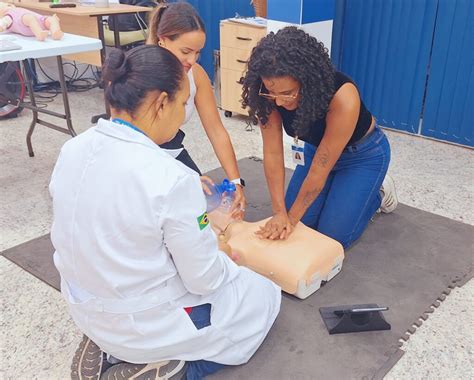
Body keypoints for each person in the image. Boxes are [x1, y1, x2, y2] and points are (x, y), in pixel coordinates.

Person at [50, 46, 281, 380]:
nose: (182, 113)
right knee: (261, 297)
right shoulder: (172, 179)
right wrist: (226, 257)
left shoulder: (72, 149)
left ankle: (109, 346)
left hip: (84, 307)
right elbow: (204, 279)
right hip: (143, 322)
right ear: (161, 103)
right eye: (183, 102)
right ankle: (170, 366)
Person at [241, 27, 398, 248]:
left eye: (287, 93)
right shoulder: (267, 93)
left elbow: (319, 171)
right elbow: (273, 153)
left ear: (308, 82)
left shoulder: (343, 96)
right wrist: (279, 213)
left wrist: (290, 221)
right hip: (315, 152)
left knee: (331, 237)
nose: (278, 102)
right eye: (271, 91)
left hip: (362, 156)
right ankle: (339, 194)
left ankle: (379, 192)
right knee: (300, 223)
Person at [147, 2, 246, 214]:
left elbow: (216, 130)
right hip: (141, 156)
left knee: (207, 207)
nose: (192, 60)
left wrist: (236, 181)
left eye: (198, 53)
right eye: (186, 51)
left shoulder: (196, 74)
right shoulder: (141, 73)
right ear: (162, 40)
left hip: (172, 148)